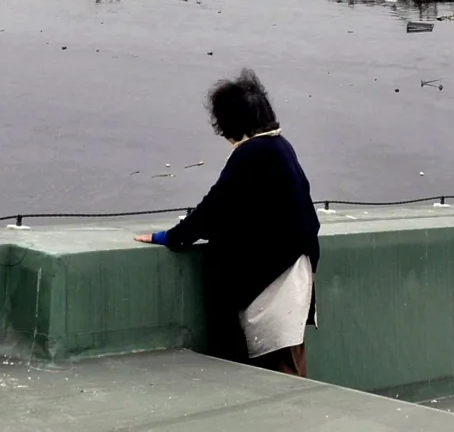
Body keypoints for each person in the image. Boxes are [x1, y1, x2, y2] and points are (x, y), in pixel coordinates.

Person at [137, 71, 320, 374]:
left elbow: (215, 207)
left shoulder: (252, 153)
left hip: (273, 283)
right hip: (295, 272)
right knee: (290, 362)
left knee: (278, 369)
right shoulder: (281, 147)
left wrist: (168, 237)